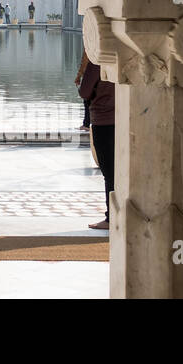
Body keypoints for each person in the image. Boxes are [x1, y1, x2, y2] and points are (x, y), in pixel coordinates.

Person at [78, 52, 115, 230]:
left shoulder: (99, 60)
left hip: (104, 120)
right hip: (126, 118)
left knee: (110, 172)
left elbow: (84, 91)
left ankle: (111, 218)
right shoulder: (125, 55)